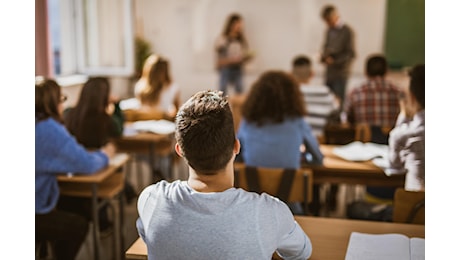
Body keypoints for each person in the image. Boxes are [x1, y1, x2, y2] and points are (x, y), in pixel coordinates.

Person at [136, 90, 312, 259]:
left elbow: (148, 237)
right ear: (236, 146)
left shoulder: (151, 200)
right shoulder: (270, 213)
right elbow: (301, 253)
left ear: (179, 150)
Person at [35, 77, 115, 260]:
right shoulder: (48, 128)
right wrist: (105, 155)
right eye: (61, 100)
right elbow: (86, 164)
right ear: (51, 102)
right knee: (77, 223)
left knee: (72, 203)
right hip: (36, 212)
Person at [237, 70, 323, 170]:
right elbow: (318, 158)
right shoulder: (297, 122)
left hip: (250, 184)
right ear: (293, 96)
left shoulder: (248, 122)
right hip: (290, 184)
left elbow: (236, 154)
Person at [388, 64, 425, 191]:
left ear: (412, 98)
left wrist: (403, 113)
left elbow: (395, 169)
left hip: (414, 209)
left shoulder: (403, 134)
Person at [344, 55, 401, 135]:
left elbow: (348, 119)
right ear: (386, 71)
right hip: (390, 143)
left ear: (365, 72)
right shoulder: (398, 93)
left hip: (363, 143)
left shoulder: (355, 92)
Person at [291, 54, 340, 138]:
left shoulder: (287, 93)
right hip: (317, 141)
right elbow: (337, 106)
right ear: (312, 74)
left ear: (291, 74)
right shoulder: (324, 92)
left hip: (293, 142)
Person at [320, 4, 355, 110]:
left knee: (338, 104)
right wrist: (323, 57)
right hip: (329, 73)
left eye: (329, 20)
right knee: (326, 102)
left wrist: (334, 61)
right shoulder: (329, 31)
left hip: (340, 73)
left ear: (335, 16)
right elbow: (326, 47)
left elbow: (350, 54)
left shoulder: (347, 31)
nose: (327, 23)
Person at [215, 13, 253, 95]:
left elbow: (243, 53)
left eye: (240, 24)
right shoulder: (223, 39)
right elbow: (219, 56)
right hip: (226, 68)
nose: (239, 26)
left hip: (237, 68)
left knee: (239, 90)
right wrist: (231, 60)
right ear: (231, 24)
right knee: (222, 91)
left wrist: (246, 58)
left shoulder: (241, 40)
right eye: (237, 23)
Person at [133, 54, 181, 120]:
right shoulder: (173, 87)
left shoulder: (140, 86)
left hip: (143, 122)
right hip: (163, 123)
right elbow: (178, 112)